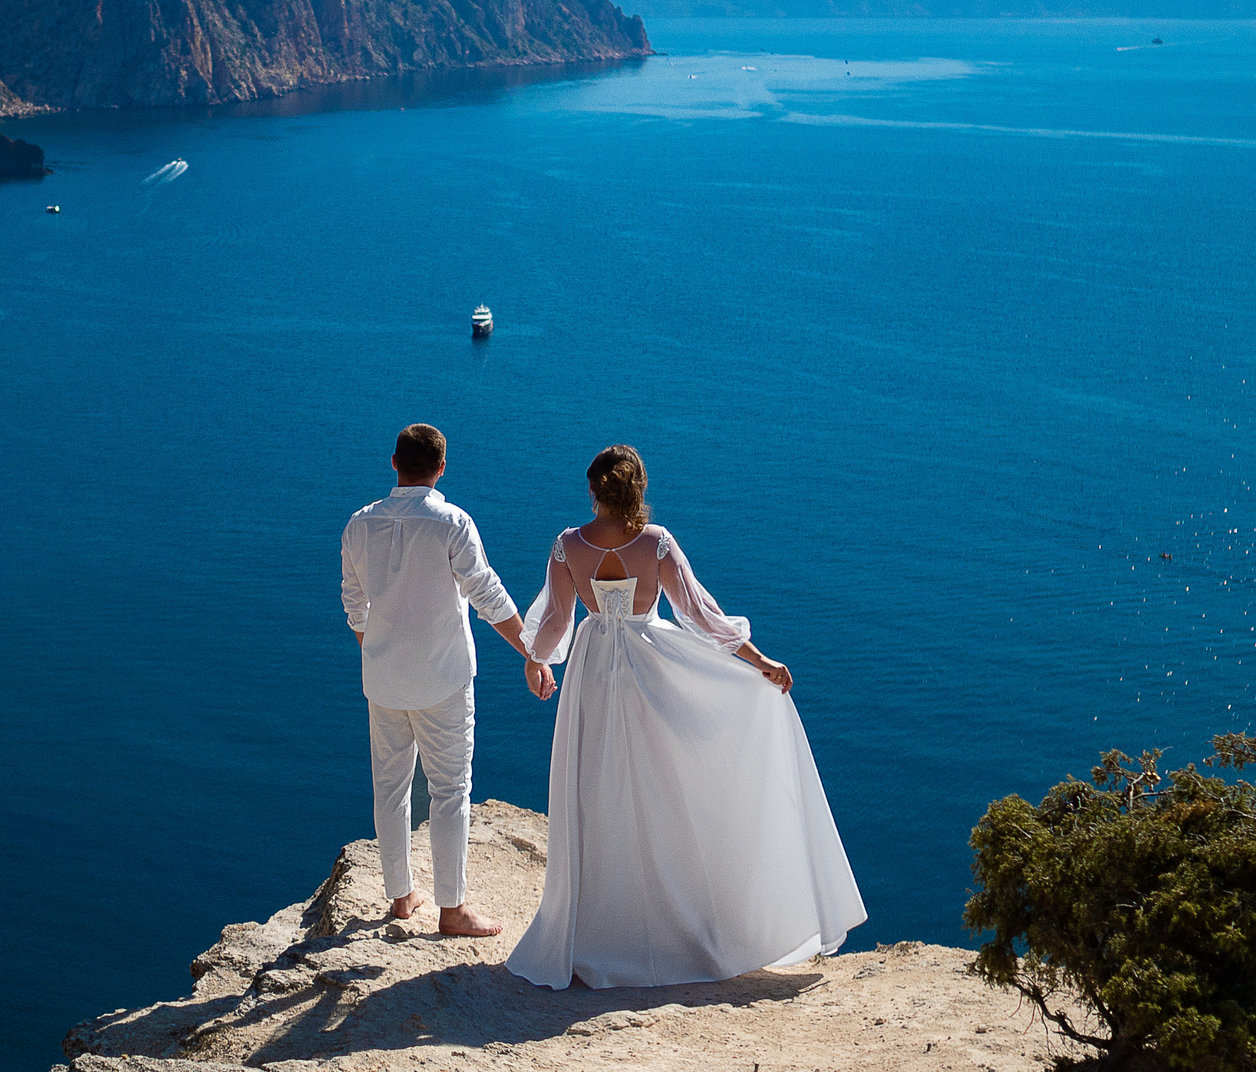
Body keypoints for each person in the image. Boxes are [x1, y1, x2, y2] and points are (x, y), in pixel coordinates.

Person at [505, 444, 865, 989]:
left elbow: (556, 618)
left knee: (597, 790)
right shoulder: (656, 543)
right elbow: (698, 613)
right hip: (651, 668)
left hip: (593, 669)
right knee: (664, 786)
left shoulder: (566, 546)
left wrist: (536, 662)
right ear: (637, 490)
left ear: (593, 490)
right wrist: (758, 660)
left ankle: (597, 928)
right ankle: (676, 923)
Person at [340, 423, 545, 935]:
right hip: (443, 679)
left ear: (393, 463)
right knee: (450, 789)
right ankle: (452, 911)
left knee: (389, 787)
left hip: (383, 681)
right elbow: (487, 595)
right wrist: (532, 653)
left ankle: (402, 898)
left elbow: (353, 601)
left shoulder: (359, 524)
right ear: (441, 468)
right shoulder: (452, 523)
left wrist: (377, 652)